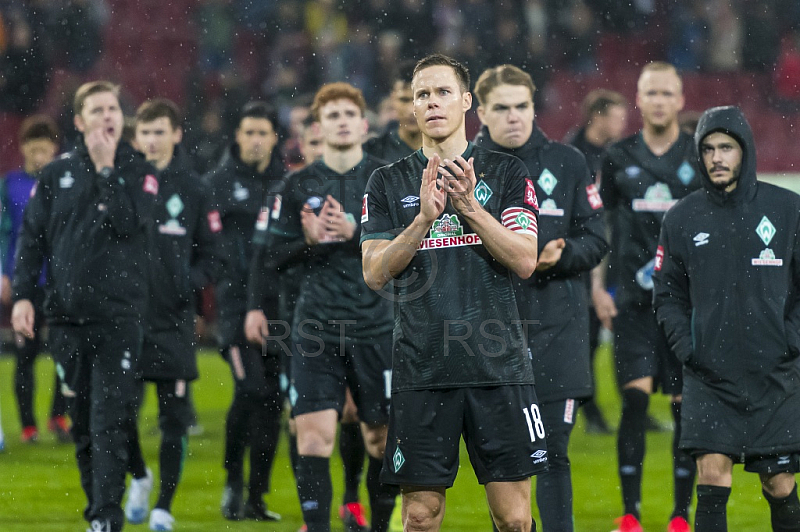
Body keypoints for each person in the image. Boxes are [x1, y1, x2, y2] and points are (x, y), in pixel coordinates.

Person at [361, 53, 545, 532]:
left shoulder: (506, 173)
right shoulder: (386, 182)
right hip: (423, 369)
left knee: (514, 519)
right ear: (412, 109)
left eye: (443, 92)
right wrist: (422, 219)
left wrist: (469, 209)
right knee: (420, 518)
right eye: (422, 94)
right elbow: (375, 272)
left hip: (497, 366)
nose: (432, 102)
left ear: (467, 101)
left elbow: (526, 260)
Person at [246, 81, 398, 532]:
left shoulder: (386, 179)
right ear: (318, 127)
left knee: (380, 437)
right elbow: (272, 257)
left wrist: (356, 234)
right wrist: (309, 243)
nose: (342, 121)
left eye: (349, 114)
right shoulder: (296, 186)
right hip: (315, 328)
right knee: (314, 436)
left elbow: (407, 251)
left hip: (376, 325)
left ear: (364, 124)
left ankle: (377, 523)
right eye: (332, 116)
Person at [11, 81, 157, 532]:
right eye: (96, 110)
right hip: (66, 318)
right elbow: (31, 240)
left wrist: (106, 169)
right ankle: (99, 507)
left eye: (112, 108)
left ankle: (105, 517)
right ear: (79, 121)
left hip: (118, 317)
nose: (106, 116)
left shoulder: (139, 171)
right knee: (82, 423)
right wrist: (22, 298)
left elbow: (131, 225)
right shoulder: (55, 175)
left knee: (108, 418)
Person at [473, 64, 608, 532]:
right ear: (481, 112)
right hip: (488, 335)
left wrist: (565, 253)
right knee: (505, 466)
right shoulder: (463, 168)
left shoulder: (568, 162)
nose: (514, 117)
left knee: (552, 453)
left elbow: (596, 237)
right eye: (502, 108)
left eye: (522, 107)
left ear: (534, 107)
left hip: (557, 330)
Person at [653, 105, 800, 532]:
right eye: (709, 149)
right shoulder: (681, 217)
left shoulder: (787, 209)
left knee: (779, 484)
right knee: (712, 478)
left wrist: (789, 339)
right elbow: (667, 293)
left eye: (727, 148)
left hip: (775, 374)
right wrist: (688, 346)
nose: (717, 157)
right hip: (710, 375)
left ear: (745, 152)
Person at [596, 62, 702, 532]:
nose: (659, 100)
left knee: (685, 407)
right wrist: (598, 287)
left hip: (685, 304)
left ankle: (681, 514)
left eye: (667, 92)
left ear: (680, 100)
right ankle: (630, 513)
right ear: (638, 99)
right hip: (633, 303)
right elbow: (597, 228)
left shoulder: (699, 156)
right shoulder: (617, 156)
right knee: (635, 402)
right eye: (650, 92)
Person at [121, 98, 223, 531]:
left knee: (173, 417)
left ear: (177, 134)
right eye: (145, 132)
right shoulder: (121, 184)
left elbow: (215, 258)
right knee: (118, 412)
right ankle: (140, 478)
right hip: (124, 319)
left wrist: (185, 281)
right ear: (136, 137)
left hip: (173, 322)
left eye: (160, 130)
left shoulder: (196, 189)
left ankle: (164, 505)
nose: (152, 139)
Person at [204, 101, 285, 521]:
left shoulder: (287, 183)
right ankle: (233, 479)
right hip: (235, 309)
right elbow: (201, 245)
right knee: (251, 390)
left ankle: (257, 494)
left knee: (272, 400)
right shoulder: (216, 184)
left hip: (280, 309)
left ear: (275, 137)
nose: (255, 140)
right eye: (248, 132)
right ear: (237, 135)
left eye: (263, 133)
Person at [1, 115, 70, 444]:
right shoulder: (10, 184)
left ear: (54, 150)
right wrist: (3, 273)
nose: (39, 156)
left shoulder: (64, 183)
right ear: (24, 148)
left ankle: (59, 417)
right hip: (23, 284)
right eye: (34, 149)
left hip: (59, 282)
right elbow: (3, 234)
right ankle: (28, 426)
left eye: (45, 149)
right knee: (25, 355)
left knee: (64, 352)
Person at [566, 89, 628, 435]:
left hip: (614, 255)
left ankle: (632, 403)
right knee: (586, 336)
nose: (623, 123)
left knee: (626, 331)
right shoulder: (572, 154)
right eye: (617, 116)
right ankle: (585, 408)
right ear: (598, 116)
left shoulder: (615, 155)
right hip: (581, 255)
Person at [364, 60, 422, 163]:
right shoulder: (372, 152)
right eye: (404, 100)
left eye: (419, 99)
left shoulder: (451, 152)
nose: (411, 110)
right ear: (392, 99)